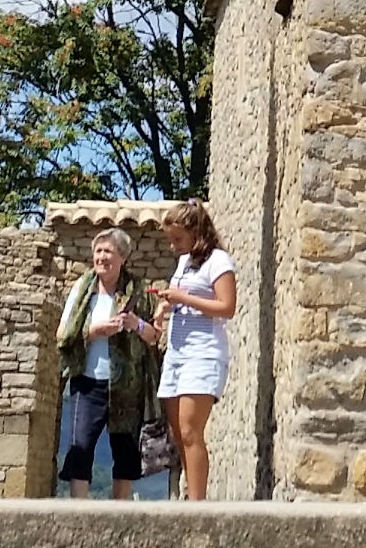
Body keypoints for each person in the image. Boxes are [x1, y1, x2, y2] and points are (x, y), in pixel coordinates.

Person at [54, 229, 161, 499]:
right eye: (98, 251)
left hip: (126, 385)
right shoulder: (82, 289)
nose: (101, 257)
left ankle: (119, 511)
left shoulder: (139, 291)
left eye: (108, 252)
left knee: (125, 451)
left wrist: (136, 324)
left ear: (122, 257)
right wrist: (95, 331)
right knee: (80, 446)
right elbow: (62, 334)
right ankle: (79, 511)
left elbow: (153, 338)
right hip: (87, 381)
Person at [147, 202, 238, 500]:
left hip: (203, 353)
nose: (174, 247)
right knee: (177, 434)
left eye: (178, 239)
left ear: (196, 232)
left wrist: (184, 297)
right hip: (177, 354)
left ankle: (198, 505)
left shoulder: (218, 261)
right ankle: (190, 495)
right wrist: (165, 306)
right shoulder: (185, 262)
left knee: (190, 431)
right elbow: (183, 297)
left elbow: (226, 307)